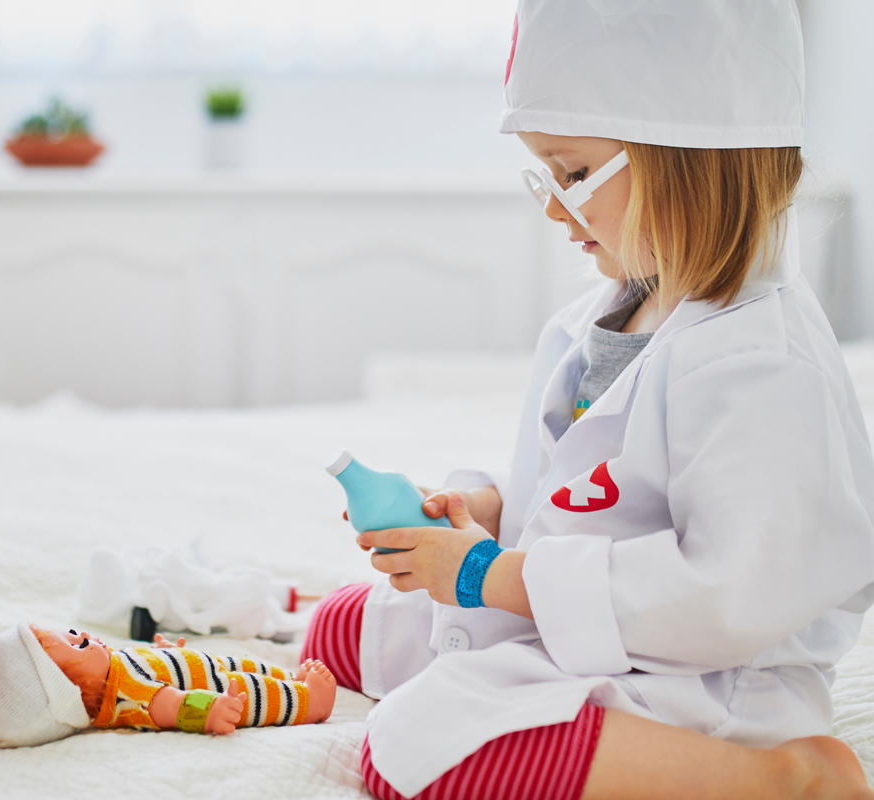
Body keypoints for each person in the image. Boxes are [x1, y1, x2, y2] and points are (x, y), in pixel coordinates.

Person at [301, 2, 874, 799]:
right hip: (575, 617)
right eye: (545, 173)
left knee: (415, 747)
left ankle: (785, 777)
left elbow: (725, 595)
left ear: (691, 162)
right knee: (340, 624)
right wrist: (487, 508)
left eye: (573, 175)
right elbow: (580, 488)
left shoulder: (761, 365)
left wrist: (487, 578)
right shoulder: (617, 310)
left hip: (698, 681)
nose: (550, 204)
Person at [0, 623, 336, 747]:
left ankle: (288, 679)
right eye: (79, 643)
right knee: (255, 694)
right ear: (75, 689)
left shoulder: (113, 667)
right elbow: (171, 706)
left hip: (208, 668)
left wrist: (166, 657)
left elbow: (146, 667)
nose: (86, 635)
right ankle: (308, 702)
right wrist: (209, 711)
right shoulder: (126, 695)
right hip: (220, 689)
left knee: (245, 667)